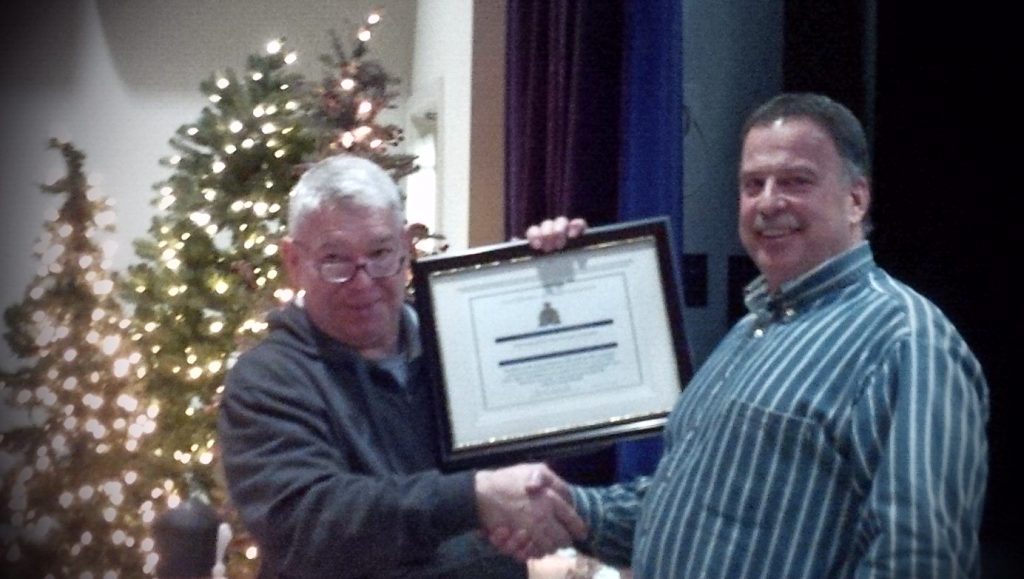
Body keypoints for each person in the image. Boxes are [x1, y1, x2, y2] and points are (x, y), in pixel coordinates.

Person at [511, 93, 989, 577]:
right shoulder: (750, 329)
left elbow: (919, 559)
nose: (768, 202)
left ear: (856, 199)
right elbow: (686, 505)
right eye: (752, 184)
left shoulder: (908, 344)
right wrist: (566, 505)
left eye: (796, 181)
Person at [217, 155, 586, 578]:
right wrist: (472, 498)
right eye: (335, 260)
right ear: (294, 262)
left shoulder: (461, 341)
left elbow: (563, 419)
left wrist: (561, 277)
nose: (363, 282)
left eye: (380, 253)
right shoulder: (267, 381)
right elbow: (308, 526)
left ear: (407, 247)